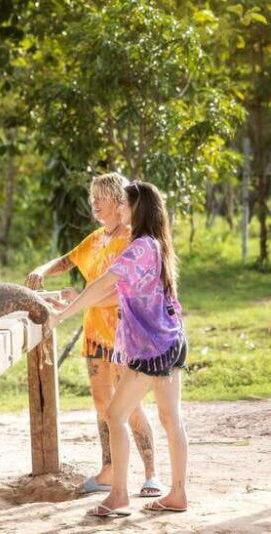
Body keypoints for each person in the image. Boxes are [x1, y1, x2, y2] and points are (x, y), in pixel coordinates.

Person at [48, 180, 188, 517]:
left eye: (124, 204)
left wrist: (63, 315)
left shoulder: (140, 248)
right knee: (171, 420)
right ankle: (177, 495)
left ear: (137, 208)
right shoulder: (154, 244)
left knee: (115, 414)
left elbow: (102, 285)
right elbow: (114, 293)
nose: (120, 209)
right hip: (170, 341)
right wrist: (76, 301)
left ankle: (120, 496)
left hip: (153, 349)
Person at [26, 173, 160, 497]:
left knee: (129, 406)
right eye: (92, 199)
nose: (94, 205)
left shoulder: (133, 240)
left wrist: (81, 299)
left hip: (126, 336)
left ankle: (151, 473)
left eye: (101, 198)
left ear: (119, 202)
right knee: (103, 404)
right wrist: (42, 270)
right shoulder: (97, 238)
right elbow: (67, 259)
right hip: (95, 336)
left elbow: (128, 293)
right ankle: (108, 471)